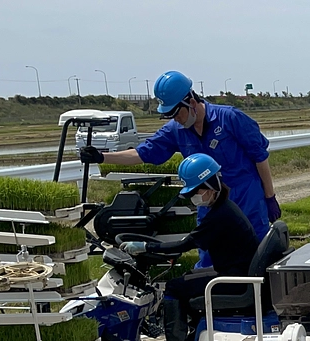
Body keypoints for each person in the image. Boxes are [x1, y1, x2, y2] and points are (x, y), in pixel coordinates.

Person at [81, 70, 279, 264]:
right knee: (209, 262)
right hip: (209, 204)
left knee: (256, 259)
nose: (175, 119)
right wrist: (102, 157)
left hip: (246, 199)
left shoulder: (230, 118)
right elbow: (143, 153)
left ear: (191, 102)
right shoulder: (176, 130)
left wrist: (269, 197)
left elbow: (260, 158)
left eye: (176, 113)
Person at [121, 154, 259, 341]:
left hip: (234, 280)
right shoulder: (223, 209)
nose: (194, 197)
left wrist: (146, 247)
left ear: (211, 186)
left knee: (174, 287)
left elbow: (185, 245)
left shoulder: (219, 216)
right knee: (188, 278)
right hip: (237, 273)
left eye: (196, 192)